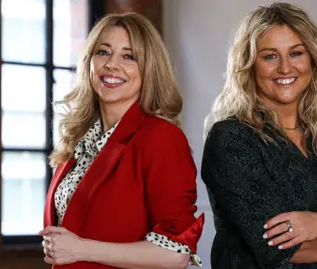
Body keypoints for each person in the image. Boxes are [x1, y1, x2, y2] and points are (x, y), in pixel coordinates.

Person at [201, 2, 317, 269]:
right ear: (250, 65)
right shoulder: (231, 139)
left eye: (296, 53)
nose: (285, 68)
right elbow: (279, 247)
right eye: (270, 56)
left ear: (313, 61)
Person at [40, 12, 204, 269]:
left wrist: (81, 249)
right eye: (103, 52)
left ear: (149, 68)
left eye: (129, 56)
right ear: (89, 61)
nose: (111, 65)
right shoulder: (80, 139)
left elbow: (176, 254)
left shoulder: (161, 138)